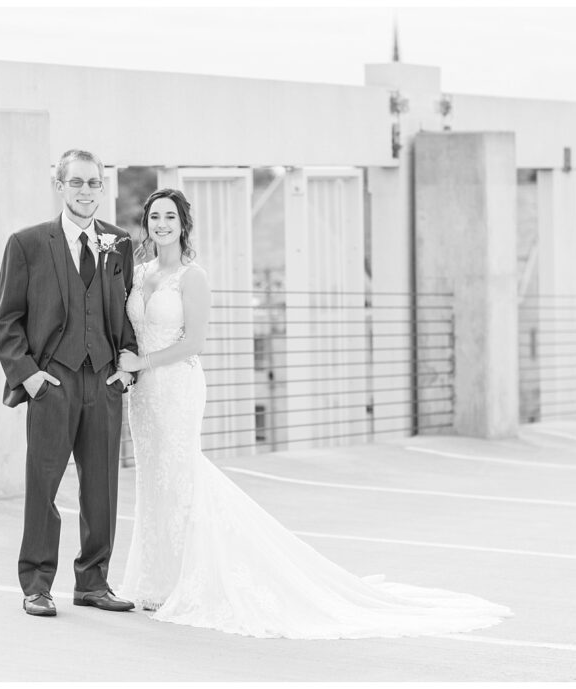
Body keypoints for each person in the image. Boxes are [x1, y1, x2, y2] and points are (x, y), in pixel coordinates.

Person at [116, 188, 513, 639]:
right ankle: (154, 580)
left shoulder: (193, 277)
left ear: (183, 224)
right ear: (146, 224)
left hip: (176, 387)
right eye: (154, 217)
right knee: (152, 481)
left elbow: (193, 344)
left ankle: (188, 581)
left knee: (183, 477)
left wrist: (141, 364)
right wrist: (131, 368)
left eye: (170, 216)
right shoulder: (140, 271)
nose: (162, 224)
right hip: (143, 395)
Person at [0, 149, 138, 617]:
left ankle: (93, 582)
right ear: (59, 185)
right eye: (75, 182)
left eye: (93, 183)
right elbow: (8, 321)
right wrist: (30, 376)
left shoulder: (118, 244)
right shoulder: (28, 243)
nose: (85, 191)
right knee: (44, 484)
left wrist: (125, 369)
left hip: (103, 380)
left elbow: (127, 311)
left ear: (102, 187)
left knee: (102, 488)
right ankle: (36, 583)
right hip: (52, 382)